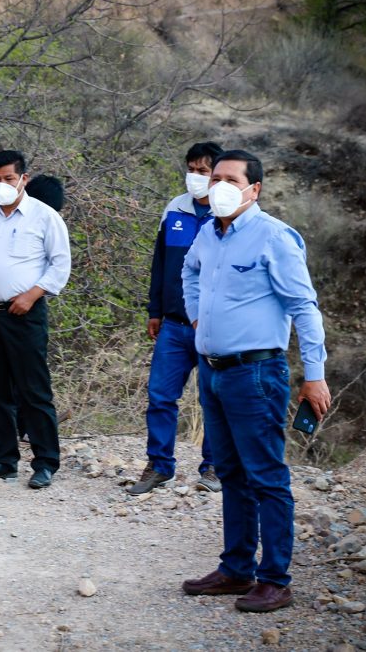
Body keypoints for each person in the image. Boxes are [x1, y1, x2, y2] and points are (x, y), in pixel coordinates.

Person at [179, 150, 331, 612]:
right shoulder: (208, 234)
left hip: (257, 373)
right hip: (213, 371)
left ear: (254, 189)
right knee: (230, 471)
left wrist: (315, 376)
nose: (218, 186)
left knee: (266, 475)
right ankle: (235, 569)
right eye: (215, 178)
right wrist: (195, 320)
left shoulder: (275, 237)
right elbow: (189, 273)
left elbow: (305, 308)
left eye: (230, 179)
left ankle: (275, 579)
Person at [0, 151, 71, 489]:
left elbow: (60, 264)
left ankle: (46, 462)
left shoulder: (45, 216)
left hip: (24, 313)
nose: (1, 185)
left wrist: (33, 294)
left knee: (33, 390)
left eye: (8, 178)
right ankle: (4, 459)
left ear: (23, 178)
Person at [129, 142, 223, 496]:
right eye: (192, 169)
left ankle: (213, 467)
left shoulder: (229, 215)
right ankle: (159, 466)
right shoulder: (175, 209)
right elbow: (159, 263)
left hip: (213, 327)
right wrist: (155, 310)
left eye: (204, 171)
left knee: (212, 398)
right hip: (173, 324)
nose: (196, 177)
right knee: (160, 397)